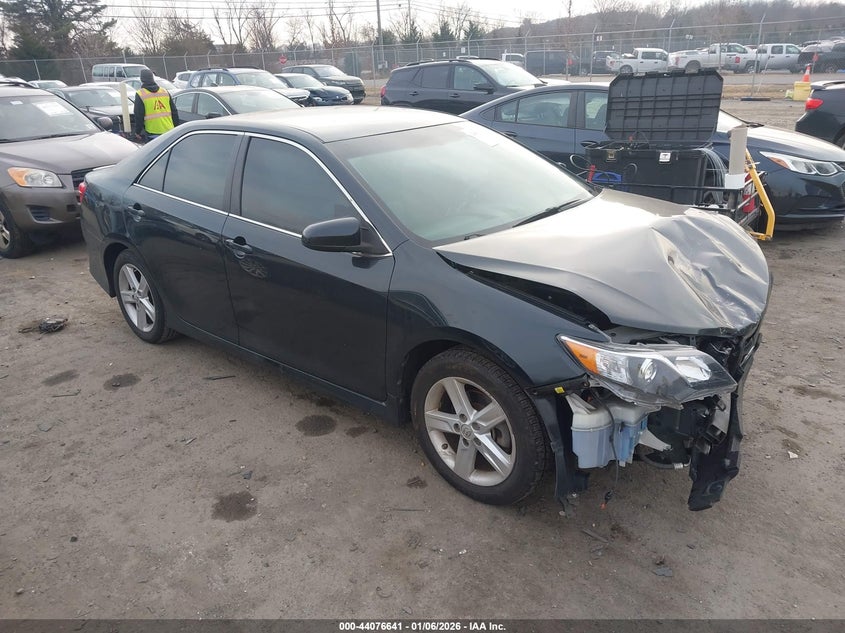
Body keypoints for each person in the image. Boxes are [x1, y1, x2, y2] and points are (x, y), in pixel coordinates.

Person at [133, 68, 179, 142]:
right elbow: (174, 112)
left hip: (152, 132)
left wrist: (137, 131)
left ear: (142, 79)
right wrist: (176, 128)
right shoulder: (164, 91)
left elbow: (139, 115)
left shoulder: (140, 94)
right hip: (169, 130)